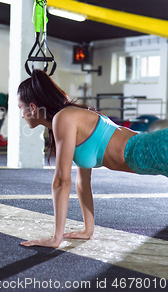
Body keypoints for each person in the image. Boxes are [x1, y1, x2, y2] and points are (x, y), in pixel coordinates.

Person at [17, 69, 168, 248]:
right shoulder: (68, 118)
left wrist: (56, 239)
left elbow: (61, 181)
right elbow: (82, 182)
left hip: (153, 149)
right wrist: (88, 230)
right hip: (150, 153)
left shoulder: (63, 118)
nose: (20, 114)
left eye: (20, 108)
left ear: (32, 108)